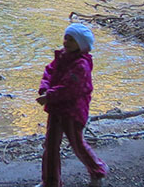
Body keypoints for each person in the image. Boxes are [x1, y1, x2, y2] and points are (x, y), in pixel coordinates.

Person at [36, 23, 108, 187]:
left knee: (77, 144)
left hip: (72, 111)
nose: (66, 42)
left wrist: (49, 96)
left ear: (81, 45)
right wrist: (45, 87)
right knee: (50, 145)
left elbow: (70, 88)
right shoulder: (62, 56)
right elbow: (49, 71)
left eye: (71, 40)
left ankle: (98, 170)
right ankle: (50, 181)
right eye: (66, 38)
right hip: (56, 108)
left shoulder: (81, 65)